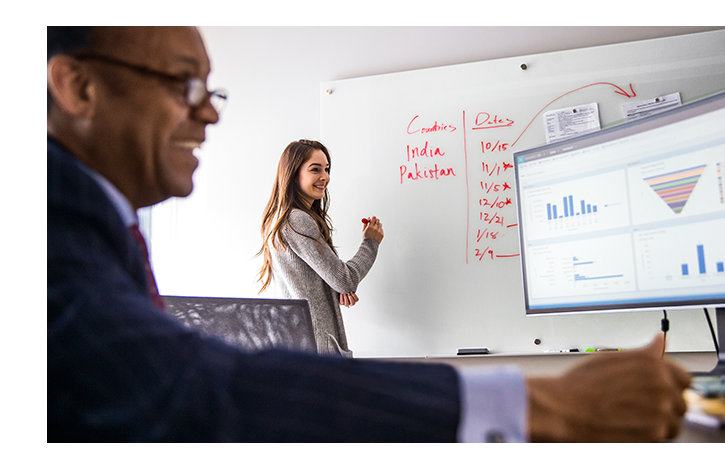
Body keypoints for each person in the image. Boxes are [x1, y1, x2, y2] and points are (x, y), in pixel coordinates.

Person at [47, 26, 690, 442]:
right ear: (78, 85)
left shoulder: (101, 221)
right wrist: (539, 405)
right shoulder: (50, 228)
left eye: (211, 89)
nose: (210, 110)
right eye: (183, 84)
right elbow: (183, 386)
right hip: (323, 353)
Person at [256, 139, 383, 357]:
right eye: (315, 169)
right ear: (293, 174)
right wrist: (370, 243)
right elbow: (345, 279)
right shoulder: (297, 220)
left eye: (327, 169)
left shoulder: (281, 219)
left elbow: (326, 280)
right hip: (315, 347)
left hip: (301, 343)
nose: (325, 177)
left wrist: (335, 289)